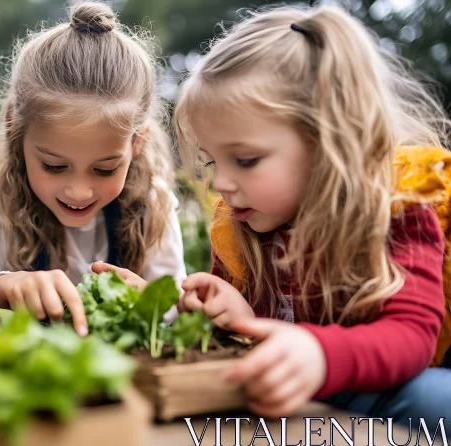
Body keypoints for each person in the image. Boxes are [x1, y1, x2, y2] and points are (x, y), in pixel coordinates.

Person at [171, 4, 451, 423]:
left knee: (435, 398)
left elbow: (412, 337)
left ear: (328, 141)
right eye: (213, 162)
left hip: (375, 390)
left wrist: (320, 355)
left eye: (245, 160)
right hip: (290, 401)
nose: (221, 185)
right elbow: (256, 343)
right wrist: (236, 316)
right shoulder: (240, 226)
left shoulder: (397, 210)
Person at [0, 2, 186, 336]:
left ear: (136, 145)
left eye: (104, 170)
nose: (78, 191)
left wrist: (154, 301)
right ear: (17, 130)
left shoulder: (152, 205)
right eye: (54, 166)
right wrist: (2, 286)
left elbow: (174, 305)